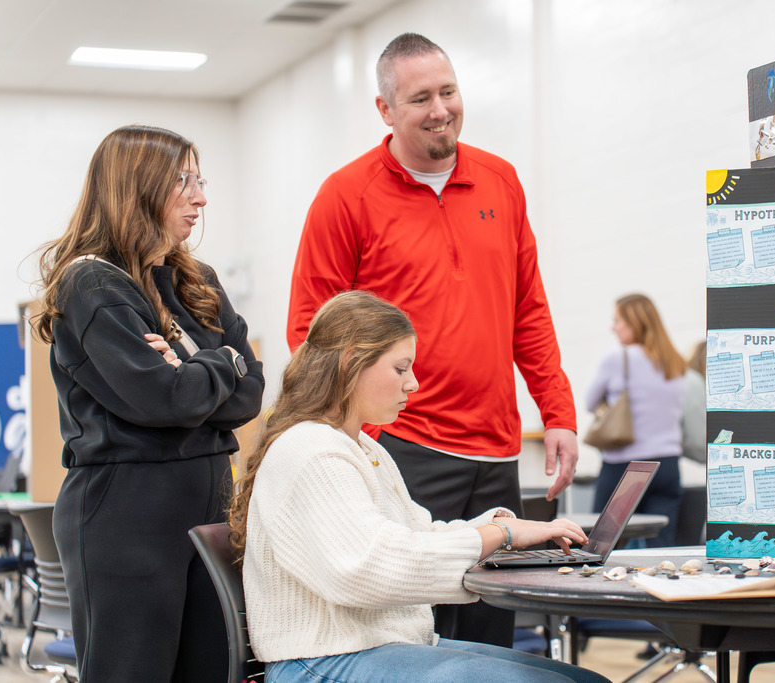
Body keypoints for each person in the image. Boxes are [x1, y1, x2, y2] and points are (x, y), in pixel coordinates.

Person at [286, 32, 578, 645]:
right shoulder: (346, 196)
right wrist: (355, 439)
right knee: (409, 632)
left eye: (449, 91)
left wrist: (557, 412)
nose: (441, 109)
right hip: (403, 446)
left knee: (489, 631)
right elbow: (310, 332)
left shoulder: (500, 181)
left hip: (496, 448)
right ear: (385, 109)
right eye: (421, 98)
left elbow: (528, 308)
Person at [228, 291, 608, 683]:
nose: (413, 383)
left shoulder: (362, 447)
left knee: (586, 681)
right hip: (323, 660)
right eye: (401, 368)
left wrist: (503, 532)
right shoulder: (313, 450)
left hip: (380, 646)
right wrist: (499, 534)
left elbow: (416, 537)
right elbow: (367, 568)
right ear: (349, 362)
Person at [31, 124, 265, 682]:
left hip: (209, 507)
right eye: (184, 181)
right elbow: (165, 400)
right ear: (135, 188)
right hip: (127, 517)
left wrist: (198, 368)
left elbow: (250, 391)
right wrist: (220, 362)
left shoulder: (195, 281)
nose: (201, 197)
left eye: (199, 180)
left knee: (215, 669)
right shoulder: (90, 285)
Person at [584, 294, 694, 548]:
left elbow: (590, 403)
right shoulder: (674, 363)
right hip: (667, 465)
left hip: (624, 467)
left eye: (618, 321)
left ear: (634, 323)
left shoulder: (618, 359)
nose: (614, 327)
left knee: (600, 545)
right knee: (661, 547)